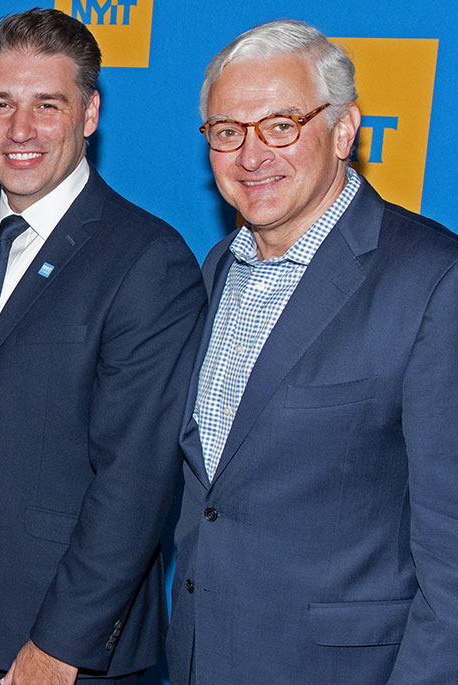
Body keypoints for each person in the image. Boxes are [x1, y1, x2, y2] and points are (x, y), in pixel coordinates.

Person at [0, 9, 205, 684]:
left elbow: (137, 479)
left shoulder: (148, 259)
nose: (20, 130)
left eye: (47, 104)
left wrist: (60, 643)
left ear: (89, 114)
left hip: (65, 649)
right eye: (1, 103)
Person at [167, 19, 458, 683]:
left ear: (345, 129)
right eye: (227, 131)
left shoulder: (434, 280)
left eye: (281, 124)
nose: (251, 155)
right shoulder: (218, 268)